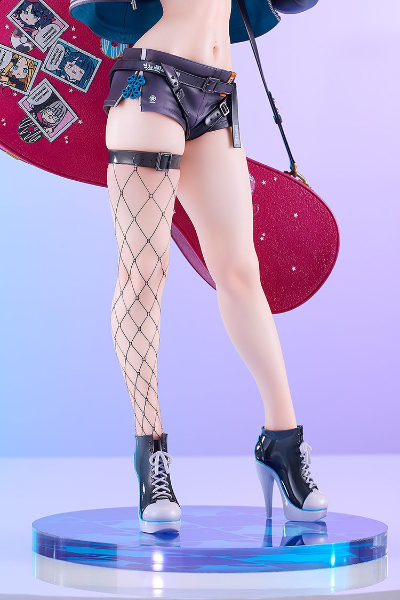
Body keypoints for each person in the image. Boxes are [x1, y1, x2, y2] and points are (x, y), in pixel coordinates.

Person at [69, 0, 328, 534]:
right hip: (150, 81)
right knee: (143, 272)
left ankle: (282, 442)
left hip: (217, 90)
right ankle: (151, 452)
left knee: (240, 273)